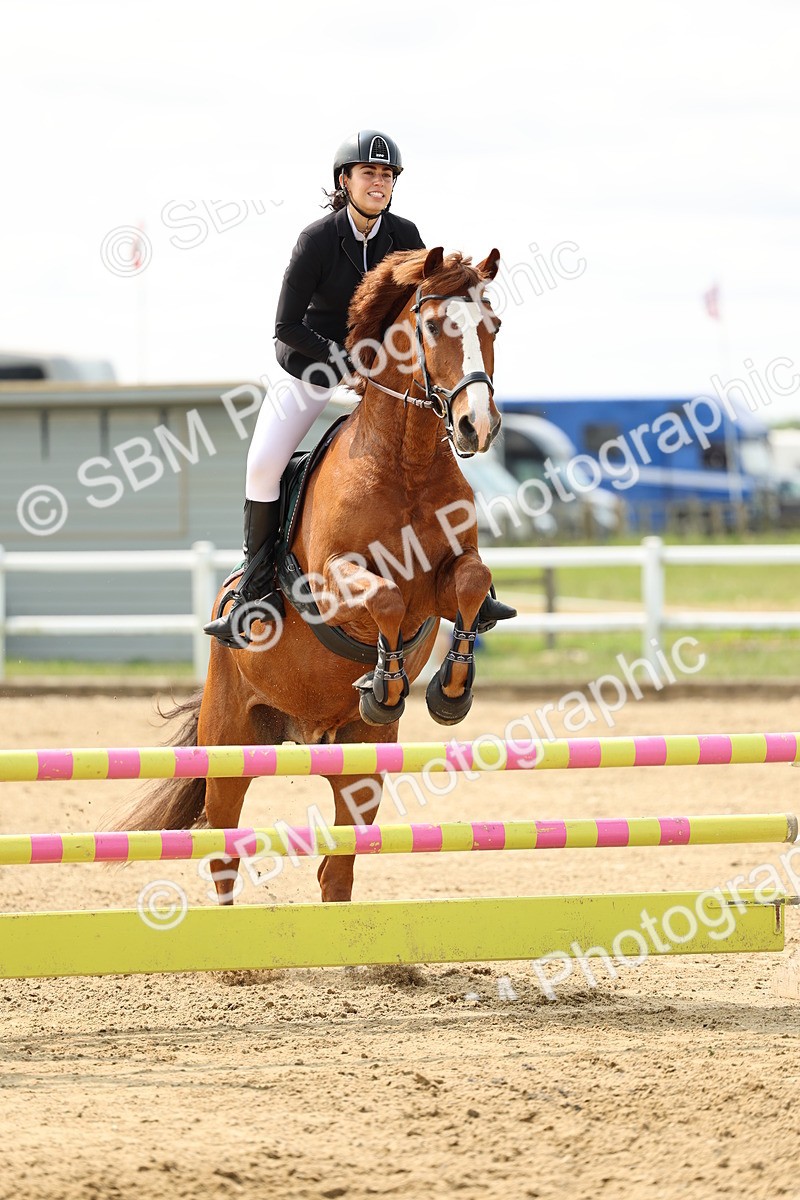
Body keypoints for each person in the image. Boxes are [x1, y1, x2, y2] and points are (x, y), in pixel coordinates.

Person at [204, 129, 515, 646]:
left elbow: (431, 306)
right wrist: (344, 361)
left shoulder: (405, 234)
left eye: (387, 175)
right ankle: (255, 592)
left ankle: (473, 585)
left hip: (388, 375)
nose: (379, 182)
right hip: (314, 366)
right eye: (368, 172)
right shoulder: (317, 240)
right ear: (344, 180)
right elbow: (285, 327)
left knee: (433, 452)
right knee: (263, 466)